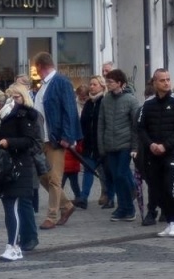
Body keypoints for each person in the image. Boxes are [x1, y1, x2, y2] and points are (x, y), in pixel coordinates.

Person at [0, 82, 42, 260]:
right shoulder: (1, 118)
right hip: (7, 166)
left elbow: (31, 141)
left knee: (19, 205)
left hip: (22, 165)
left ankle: (18, 242)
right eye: (10, 97)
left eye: (16, 97)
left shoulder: (25, 115)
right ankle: (15, 242)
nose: (13, 100)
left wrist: (9, 142)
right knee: (10, 206)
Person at [32, 52, 81, 229]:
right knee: (43, 175)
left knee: (54, 178)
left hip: (56, 138)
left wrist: (67, 136)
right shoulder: (44, 86)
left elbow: (69, 110)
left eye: (36, 68)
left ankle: (51, 216)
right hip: (43, 138)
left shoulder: (61, 82)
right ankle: (67, 205)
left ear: (40, 66)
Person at [137, 69, 174, 237]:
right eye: (162, 80)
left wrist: (166, 145)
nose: (166, 83)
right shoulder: (148, 103)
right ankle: (168, 221)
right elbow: (141, 127)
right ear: (154, 82)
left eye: (168, 79)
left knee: (170, 185)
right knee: (157, 188)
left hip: (172, 151)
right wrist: (150, 144)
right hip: (153, 152)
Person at [97, 69, 139, 222]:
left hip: (125, 144)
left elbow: (136, 125)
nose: (108, 84)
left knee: (121, 174)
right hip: (110, 145)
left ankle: (129, 208)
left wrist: (135, 147)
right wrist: (101, 145)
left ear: (120, 83)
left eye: (111, 82)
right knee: (116, 177)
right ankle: (122, 207)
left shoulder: (131, 100)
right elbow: (101, 123)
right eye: (107, 81)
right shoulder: (105, 100)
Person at [76, 75, 104, 209]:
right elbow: (82, 123)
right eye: (91, 84)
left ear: (101, 86)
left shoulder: (104, 101)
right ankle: (83, 197)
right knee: (88, 170)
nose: (91, 87)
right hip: (89, 143)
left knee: (107, 172)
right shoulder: (88, 103)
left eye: (94, 84)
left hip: (102, 144)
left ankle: (110, 195)